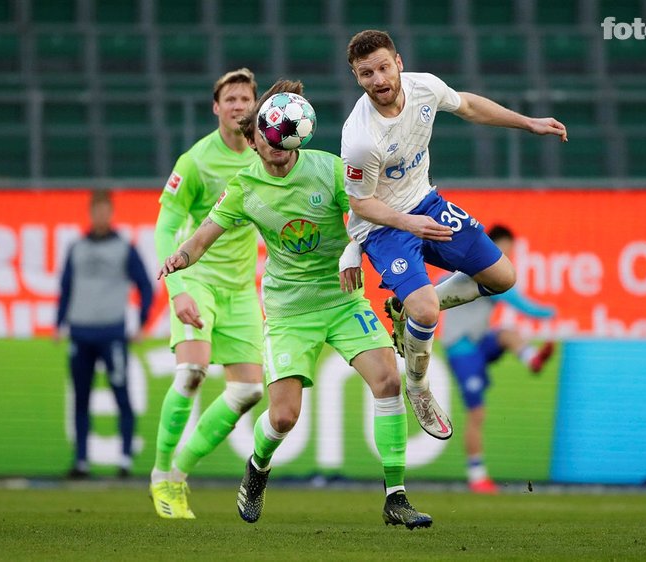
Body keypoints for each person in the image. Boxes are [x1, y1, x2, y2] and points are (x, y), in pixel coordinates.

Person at [159, 79, 433, 530]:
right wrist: (180, 258)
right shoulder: (243, 188)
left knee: (387, 380)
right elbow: (202, 236)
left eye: (288, 136)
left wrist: (358, 252)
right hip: (289, 312)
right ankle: (257, 468)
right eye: (270, 137)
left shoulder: (328, 169)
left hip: (342, 301)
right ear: (254, 141)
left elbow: (364, 213)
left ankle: (395, 496)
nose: (280, 145)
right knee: (283, 416)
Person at [340, 29, 567, 441]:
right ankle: (419, 386)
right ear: (357, 77)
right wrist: (407, 224)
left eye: (383, 67)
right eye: (365, 73)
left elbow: (469, 107)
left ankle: (402, 307)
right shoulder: (359, 139)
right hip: (383, 227)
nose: (377, 79)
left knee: (503, 278)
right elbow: (360, 205)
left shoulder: (424, 88)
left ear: (399, 63)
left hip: (427, 203)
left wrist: (528, 123)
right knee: (427, 311)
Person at [150, 68, 265, 519]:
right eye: (230, 100)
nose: (238, 106)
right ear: (216, 108)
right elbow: (165, 227)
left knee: (249, 391)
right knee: (193, 369)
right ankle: (159, 475)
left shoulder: (265, 158)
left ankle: (179, 473)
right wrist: (177, 290)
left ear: (255, 107)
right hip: (197, 279)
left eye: (245, 99)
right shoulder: (195, 161)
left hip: (240, 289)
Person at [440, 224, 556, 494]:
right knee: (476, 413)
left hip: (479, 343)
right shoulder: (479, 270)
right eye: (504, 250)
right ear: (492, 246)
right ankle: (477, 476)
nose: (507, 257)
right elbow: (521, 303)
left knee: (507, 333)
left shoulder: (489, 273)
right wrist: (551, 314)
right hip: (461, 349)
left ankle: (531, 359)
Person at [54, 189, 154, 479]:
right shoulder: (77, 247)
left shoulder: (124, 247)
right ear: (90, 212)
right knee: (81, 399)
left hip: (112, 333)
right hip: (81, 332)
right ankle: (81, 461)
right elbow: (65, 287)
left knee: (121, 396)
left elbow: (145, 286)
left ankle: (124, 459)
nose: (100, 216)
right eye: (95, 211)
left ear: (110, 213)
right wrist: (59, 322)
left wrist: (142, 322)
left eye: (104, 211)